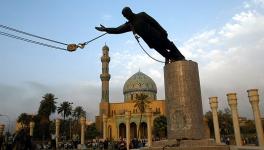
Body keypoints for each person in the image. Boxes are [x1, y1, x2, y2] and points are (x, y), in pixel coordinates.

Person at [95, 7, 185, 64]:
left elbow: (154, 22)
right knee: (164, 53)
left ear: (129, 12)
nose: (126, 17)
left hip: (159, 36)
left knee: (170, 46)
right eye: (124, 16)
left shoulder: (141, 15)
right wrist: (106, 29)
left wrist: (163, 31)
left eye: (126, 15)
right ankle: (173, 59)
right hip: (152, 42)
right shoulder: (130, 25)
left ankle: (180, 58)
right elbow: (117, 30)